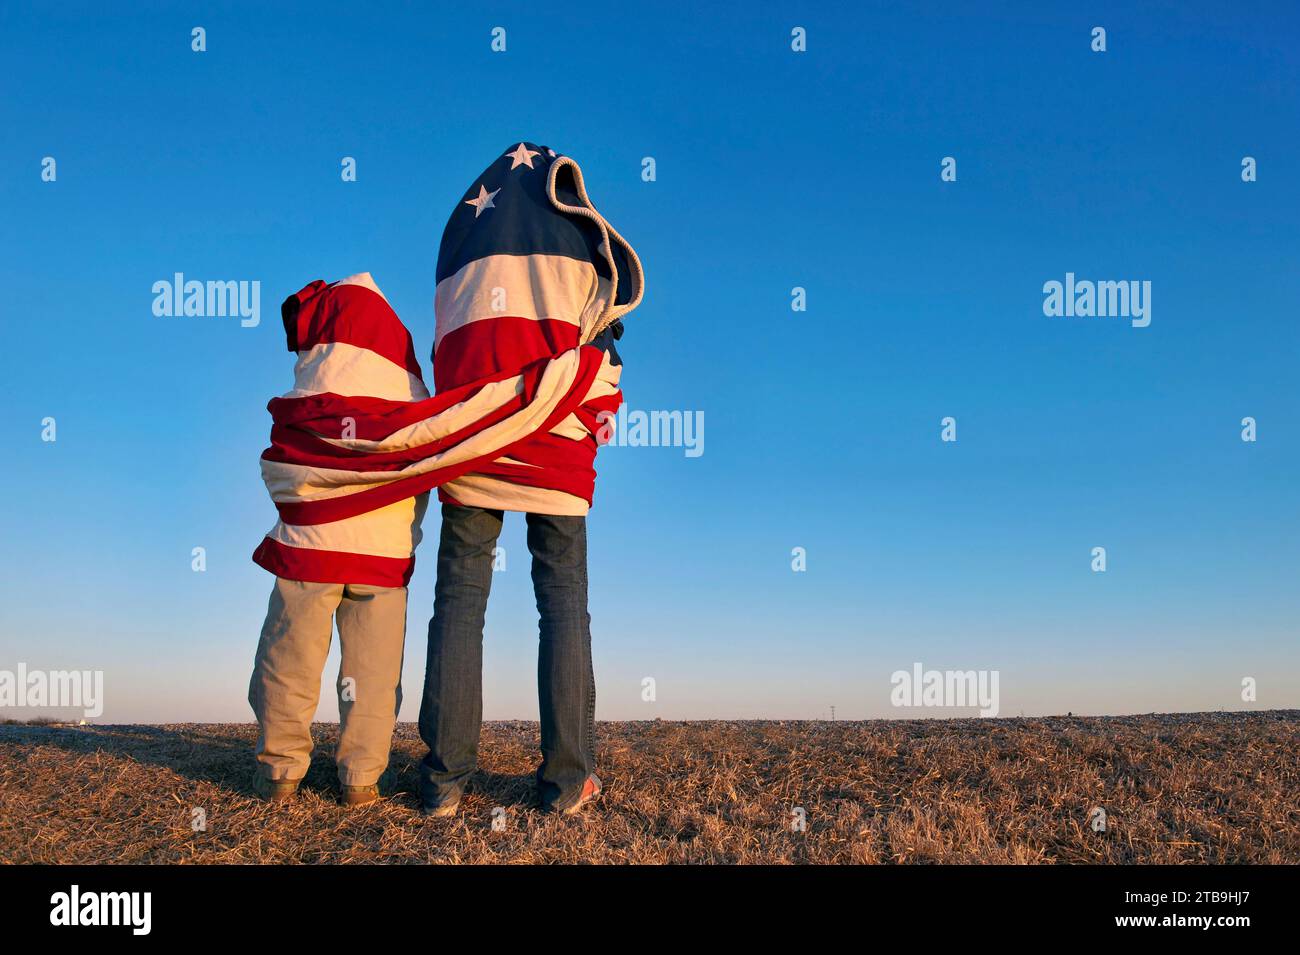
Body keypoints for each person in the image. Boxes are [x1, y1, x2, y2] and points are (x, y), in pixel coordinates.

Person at [418, 143, 644, 816]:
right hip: (555, 437)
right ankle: (569, 778)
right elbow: (604, 321)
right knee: (564, 602)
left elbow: (446, 334)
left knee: (460, 596)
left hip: (474, 433)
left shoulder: (464, 230)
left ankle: (442, 782)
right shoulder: (577, 228)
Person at [248, 273, 429, 806]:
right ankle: (362, 778)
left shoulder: (311, 394)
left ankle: (279, 773)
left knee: (289, 656)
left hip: (310, 547)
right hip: (383, 555)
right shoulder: (407, 389)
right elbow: (421, 464)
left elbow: (287, 470)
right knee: (373, 671)